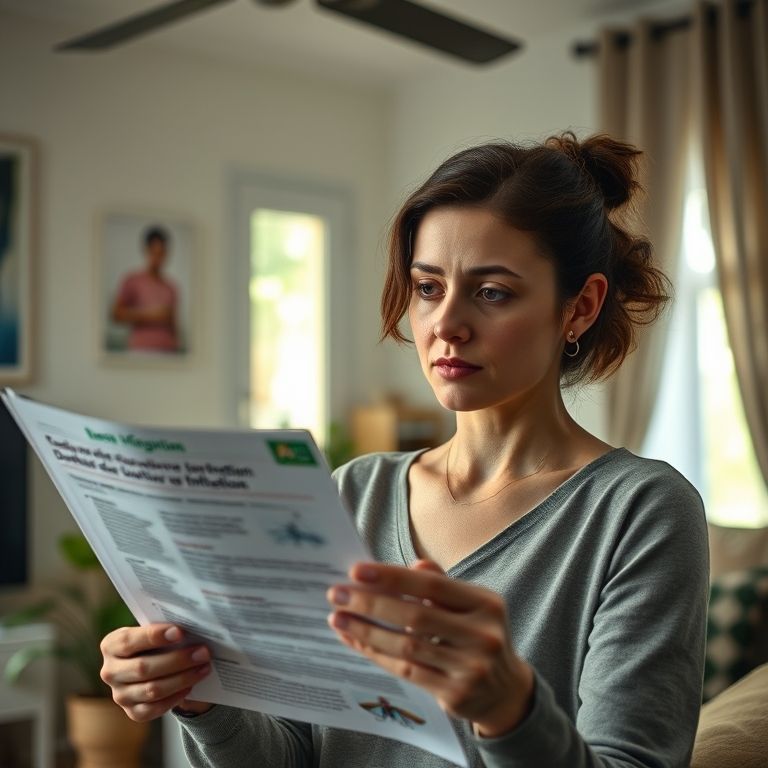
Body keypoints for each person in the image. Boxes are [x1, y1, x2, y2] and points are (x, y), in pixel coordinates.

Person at [99, 133, 709, 767]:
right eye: (427, 287)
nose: (446, 323)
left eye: (492, 291)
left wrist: (509, 711)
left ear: (579, 308)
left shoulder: (641, 512)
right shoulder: (351, 494)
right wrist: (202, 698)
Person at [111, 225, 179, 352]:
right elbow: (116, 314)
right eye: (154, 252)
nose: (158, 259)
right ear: (146, 251)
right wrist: (152, 315)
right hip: (140, 353)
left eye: (162, 253)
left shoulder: (171, 287)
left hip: (168, 353)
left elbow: (174, 324)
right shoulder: (132, 280)